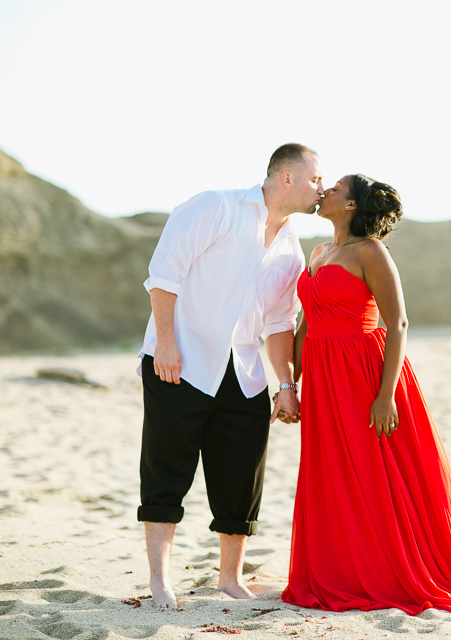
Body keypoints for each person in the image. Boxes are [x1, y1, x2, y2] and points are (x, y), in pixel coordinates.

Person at [281, 174, 451, 614]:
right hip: (324, 375)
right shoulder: (318, 251)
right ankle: (346, 567)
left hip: (365, 373)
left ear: (351, 205)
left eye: (334, 188)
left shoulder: (370, 252)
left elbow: (399, 324)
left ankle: (391, 568)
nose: (325, 191)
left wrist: (386, 395)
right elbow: (304, 325)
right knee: (334, 472)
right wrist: (290, 385)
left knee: (377, 474)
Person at [137, 143, 322, 609]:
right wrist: (165, 343)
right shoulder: (214, 206)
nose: (321, 188)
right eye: (315, 179)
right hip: (179, 363)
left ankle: (229, 577)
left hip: (244, 374)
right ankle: (160, 579)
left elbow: (280, 323)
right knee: (166, 467)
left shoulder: (291, 248)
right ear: (286, 178)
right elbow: (164, 275)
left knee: (241, 475)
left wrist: (285, 384)